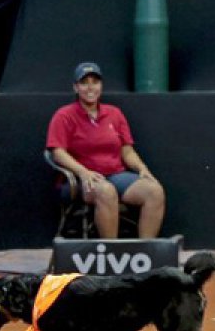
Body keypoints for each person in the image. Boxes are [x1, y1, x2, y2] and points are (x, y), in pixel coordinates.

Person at [46, 62, 165, 239]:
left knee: (154, 191)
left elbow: (127, 151)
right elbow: (57, 152)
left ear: (101, 86)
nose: (90, 87)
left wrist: (142, 168)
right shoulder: (64, 115)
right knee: (106, 191)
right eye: (84, 83)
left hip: (116, 175)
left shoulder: (114, 113)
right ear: (76, 87)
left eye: (95, 82)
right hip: (80, 180)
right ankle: (111, 253)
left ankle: (145, 253)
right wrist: (84, 172)